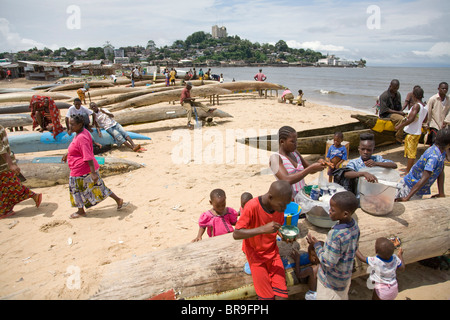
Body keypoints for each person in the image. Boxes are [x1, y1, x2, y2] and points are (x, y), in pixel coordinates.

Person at [233, 180, 293, 300]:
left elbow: (277, 226)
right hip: (255, 255)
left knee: (282, 296)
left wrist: (283, 235)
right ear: (270, 197)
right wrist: (262, 229)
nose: (284, 208)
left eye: (286, 205)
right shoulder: (252, 206)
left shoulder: (278, 208)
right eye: (282, 205)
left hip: (273, 253)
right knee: (267, 297)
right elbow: (236, 234)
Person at [62, 115, 128, 219]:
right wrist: (68, 153)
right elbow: (77, 147)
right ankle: (118, 200)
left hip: (81, 169)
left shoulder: (81, 137)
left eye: (72, 124)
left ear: (79, 125)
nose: (70, 126)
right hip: (82, 168)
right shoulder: (81, 132)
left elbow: (87, 155)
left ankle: (80, 211)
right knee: (99, 186)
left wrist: (92, 172)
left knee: (76, 190)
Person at [306, 191, 360, 300]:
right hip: (344, 278)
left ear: (345, 214)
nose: (329, 211)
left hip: (330, 283)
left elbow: (328, 261)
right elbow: (353, 248)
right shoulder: (355, 226)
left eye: (333, 210)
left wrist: (317, 246)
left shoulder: (335, 234)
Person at [395, 127, 450, 202]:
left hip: (416, 189)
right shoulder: (434, 157)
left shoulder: (441, 152)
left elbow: (440, 171)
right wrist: (407, 197)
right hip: (410, 187)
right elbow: (424, 178)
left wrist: (441, 193)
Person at [269, 126, 325, 198]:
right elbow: (286, 180)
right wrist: (311, 168)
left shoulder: (295, 153)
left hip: (302, 195)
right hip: (288, 199)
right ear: (282, 141)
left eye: (296, 141)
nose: (296, 144)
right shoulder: (275, 158)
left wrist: (319, 164)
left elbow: (310, 169)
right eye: (292, 141)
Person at [0, 125, 42, 219]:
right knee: (7, 188)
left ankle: (33, 195)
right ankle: (6, 210)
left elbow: (2, 150)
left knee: (11, 187)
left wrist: (11, 165)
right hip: (5, 165)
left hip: (3, 166)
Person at [395, 86, 428, 174]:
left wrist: (399, 126)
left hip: (412, 133)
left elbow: (411, 119)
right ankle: (407, 168)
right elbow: (424, 119)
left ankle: (408, 171)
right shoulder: (424, 106)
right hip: (417, 132)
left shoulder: (416, 106)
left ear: (414, 95)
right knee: (411, 152)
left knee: (411, 154)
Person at [378, 79, 406, 143]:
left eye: (397, 88)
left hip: (395, 113)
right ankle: (399, 137)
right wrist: (399, 113)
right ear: (390, 86)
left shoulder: (397, 94)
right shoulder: (384, 96)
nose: (395, 90)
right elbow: (385, 109)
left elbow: (399, 106)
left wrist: (401, 112)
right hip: (386, 114)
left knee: (408, 117)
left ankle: (406, 133)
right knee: (401, 119)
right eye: (394, 88)